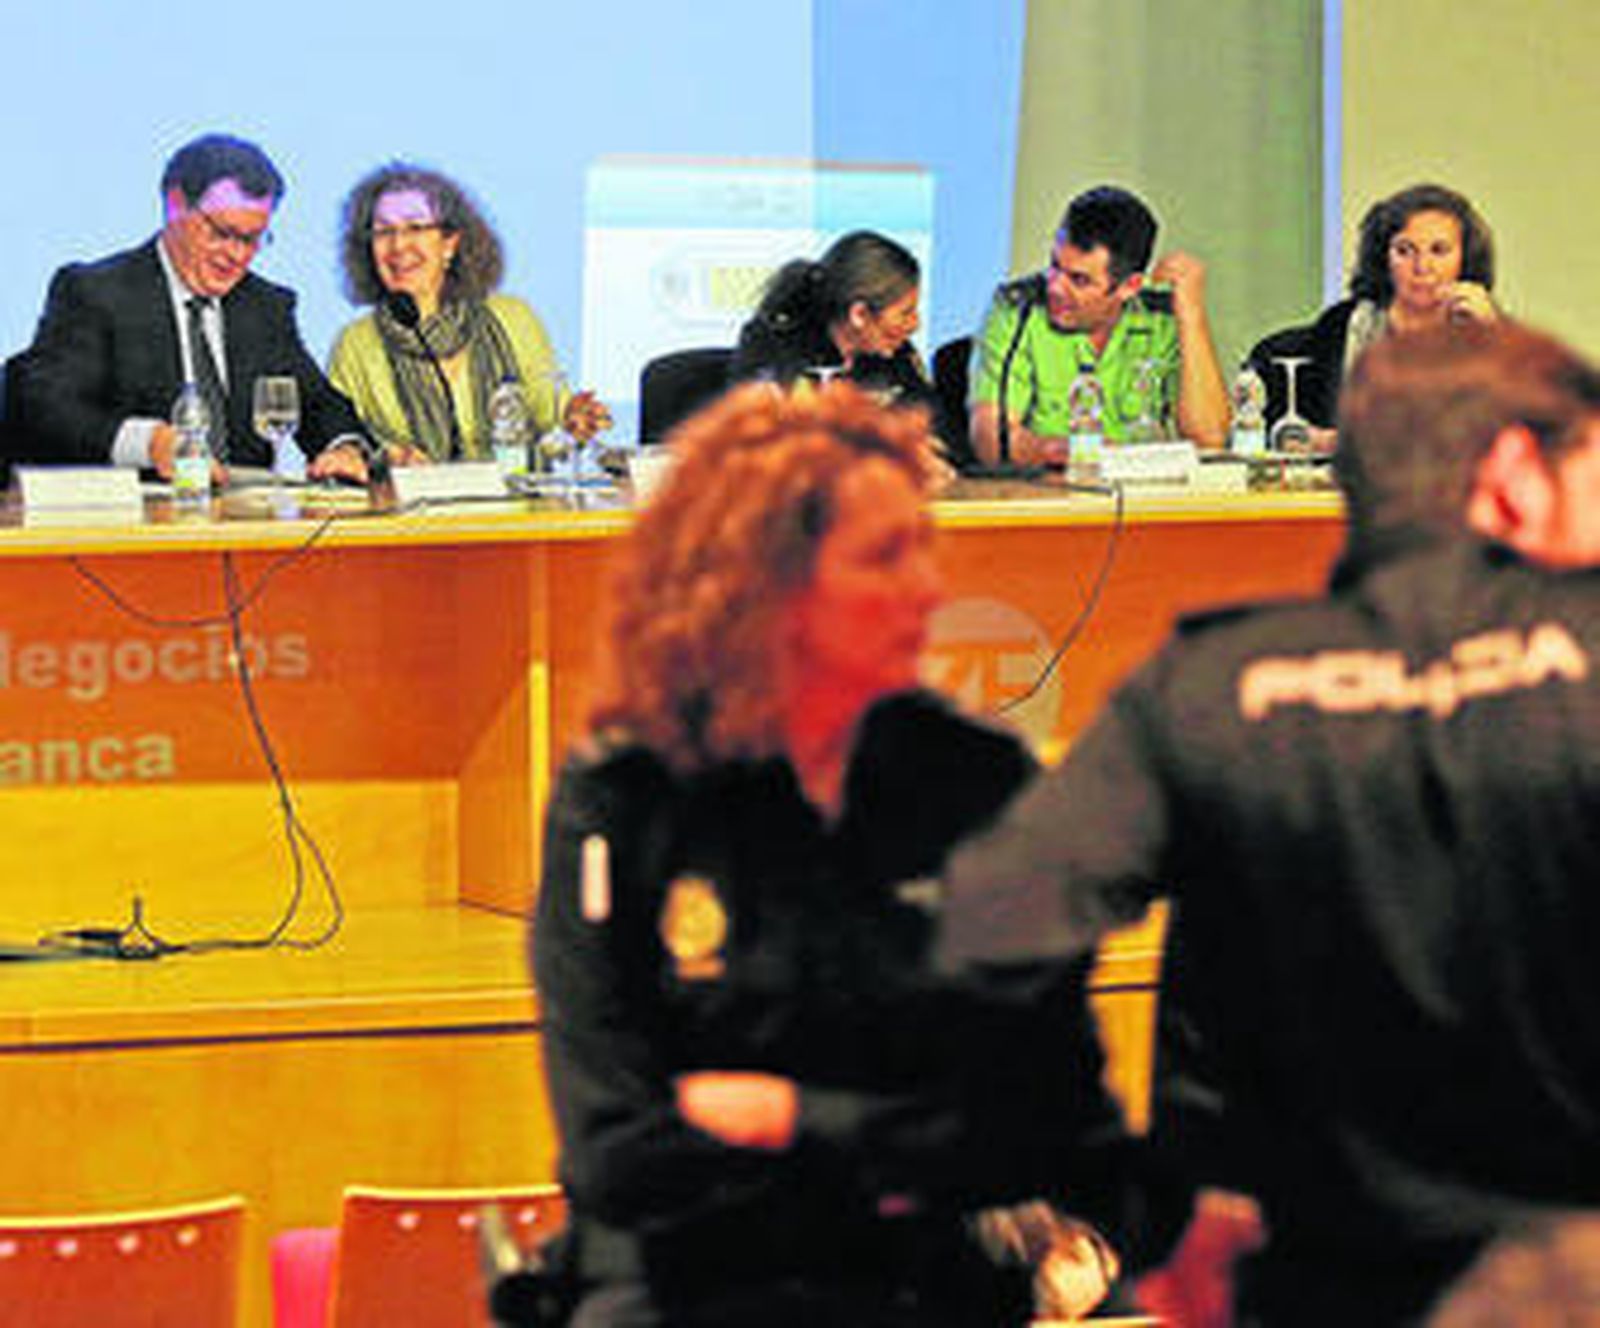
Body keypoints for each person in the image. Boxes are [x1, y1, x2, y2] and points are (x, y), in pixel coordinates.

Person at [936, 319, 1600, 1324]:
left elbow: (985, 931)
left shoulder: (1206, 683)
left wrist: (1134, 1195)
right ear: (1513, 472)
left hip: (1286, 1271)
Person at [532, 382, 1142, 1327]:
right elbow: (620, 1151)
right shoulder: (622, 802)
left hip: (930, 1283)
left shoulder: (980, 787)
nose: (929, 589)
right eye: (885, 558)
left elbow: (1044, 1119)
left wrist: (787, 1116)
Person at [1, 133, 368, 482]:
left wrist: (346, 447)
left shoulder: (266, 306)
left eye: (254, 239)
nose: (237, 255)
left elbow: (317, 402)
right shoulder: (96, 292)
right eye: (222, 233)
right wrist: (148, 443)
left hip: (245, 526)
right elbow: (46, 408)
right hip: (135, 527)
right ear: (175, 204)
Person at [328, 162, 609, 466]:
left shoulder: (512, 319)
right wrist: (381, 460)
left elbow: (551, 430)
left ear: (450, 242)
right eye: (383, 232)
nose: (398, 245)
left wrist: (573, 424)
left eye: (416, 227)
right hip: (409, 511)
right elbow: (347, 448)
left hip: (516, 510)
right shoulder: (354, 344)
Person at [968, 185, 1230, 468]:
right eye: (1054, 265)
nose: (1054, 287)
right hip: (1053, 496)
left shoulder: (1162, 319)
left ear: (1130, 287)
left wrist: (1191, 314)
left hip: (1143, 501)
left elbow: (1210, 439)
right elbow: (991, 440)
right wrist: (1070, 452)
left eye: (1078, 280)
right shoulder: (1017, 309)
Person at [1249, 182, 1498, 437]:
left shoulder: (1487, 329)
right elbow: (1282, 440)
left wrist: (1493, 340)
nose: (1422, 267)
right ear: (1383, 258)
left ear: (1465, 258)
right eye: (1404, 251)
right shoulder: (1341, 333)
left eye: (1439, 251)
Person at [729, 230, 936, 417]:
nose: (915, 324)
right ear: (860, 314)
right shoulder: (772, 345)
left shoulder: (898, 356)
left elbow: (936, 432)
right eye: (905, 313)